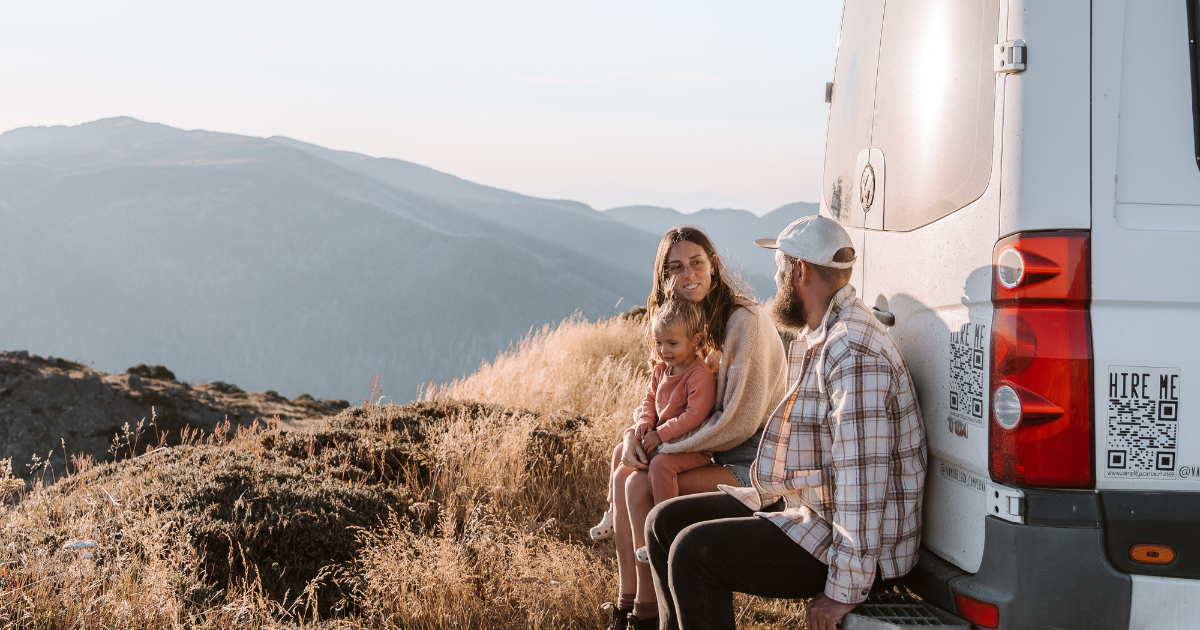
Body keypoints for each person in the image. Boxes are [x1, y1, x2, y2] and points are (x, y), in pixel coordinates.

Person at [644, 215, 927, 630]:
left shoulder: (852, 354)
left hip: (849, 543)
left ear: (800, 270)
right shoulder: (821, 335)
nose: (775, 281)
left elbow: (862, 484)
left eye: (779, 269)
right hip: (810, 508)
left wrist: (841, 592)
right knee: (662, 522)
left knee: (693, 553)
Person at [603, 227, 788, 630]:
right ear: (664, 277)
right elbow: (658, 392)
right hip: (713, 451)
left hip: (753, 465)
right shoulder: (685, 323)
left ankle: (647, 615)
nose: (688, 274)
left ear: (714, 267)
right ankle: (627, 601)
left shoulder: (745, 323)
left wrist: (661, 447)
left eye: (696, 263)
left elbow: (738, 424)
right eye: (675, 267)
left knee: (639, 484)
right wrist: (636, 433)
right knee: (623, 464)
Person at [591, 298, 716, 559]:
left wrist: (661, 434)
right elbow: (649, 400)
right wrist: (645, 421)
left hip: (690, 446)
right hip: (662, 440)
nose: (664, 350)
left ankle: (665, 530)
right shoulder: (662, 370)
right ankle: (612, 513)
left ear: (695, 341)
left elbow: (695, 416)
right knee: (619, 452)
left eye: (672, 343)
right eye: (659, 343)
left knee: (661, 467)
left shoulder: (699, 375)